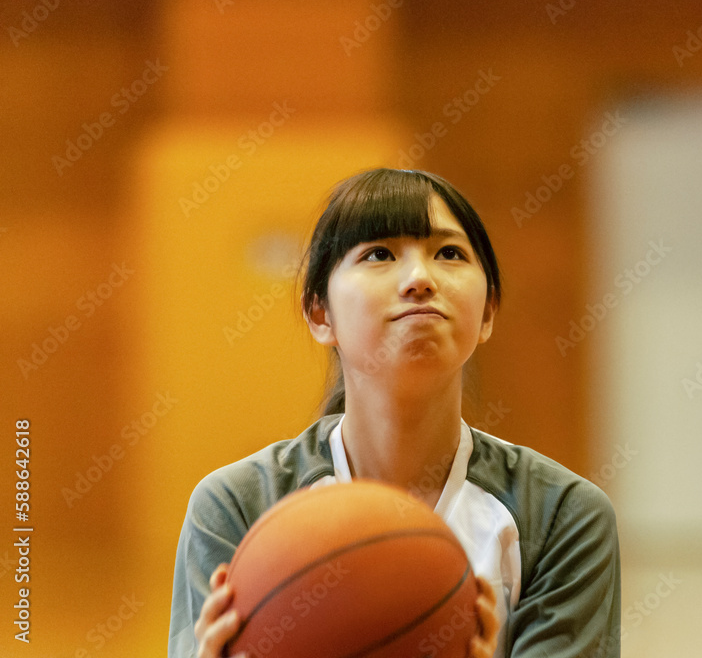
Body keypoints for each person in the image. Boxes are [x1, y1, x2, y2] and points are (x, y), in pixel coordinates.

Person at [167, 168, 622, 658]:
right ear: (320, 313)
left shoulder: (561, 516)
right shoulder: (238, 505)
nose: (420, 279)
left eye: (449, 253)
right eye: (379, 254)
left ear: (488, 311)